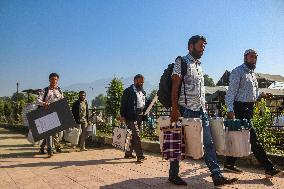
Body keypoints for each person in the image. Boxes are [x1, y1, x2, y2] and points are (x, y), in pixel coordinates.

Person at [170, 35, 238, 186]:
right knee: (177, 143)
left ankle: (217, 176)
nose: (203, 49)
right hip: (185, 110)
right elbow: (175, 86)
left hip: (201, 110)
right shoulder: (181, 61)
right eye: (201, 46)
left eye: (204, 47)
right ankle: (173, 175)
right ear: (191, 46)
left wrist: (205, 108)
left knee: (209, 143)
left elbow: (200, 90)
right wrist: (174, 109)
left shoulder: (199, 66)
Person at [224, 49, 282, 177]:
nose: (254, 59)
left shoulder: (252, 74)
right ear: (245, 57)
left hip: (248, 108)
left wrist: (262, 94)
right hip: (240, 108)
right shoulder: (238, 71)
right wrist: (230, 109)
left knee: (238, 136)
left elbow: (252, 94)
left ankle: (229, 164)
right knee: (253, 138)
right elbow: (231, 92)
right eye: (251, 57)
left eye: (255, 57)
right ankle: (269, 167)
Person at [120, 74, 149, 162]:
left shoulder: (142, 91)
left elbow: (144, 102)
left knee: (132, 135)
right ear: (135, 80)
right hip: (131, 116)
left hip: (140, 115)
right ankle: (140, 155)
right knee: (137, 135)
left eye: (143, 82)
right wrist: (122, 116)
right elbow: (123, 104)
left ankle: (128, 153)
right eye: (140, 82)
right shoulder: (128, 91)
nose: (142, 84)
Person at [37, 73, 64, 158]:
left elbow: (62, 100)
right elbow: (38, 100)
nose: (54, 81)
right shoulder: (45, 90)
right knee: (49, 131)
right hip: (46, 112)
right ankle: (49, 150)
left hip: (56, 113)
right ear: (49, 80)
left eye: (55, 79)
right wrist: (44, 103)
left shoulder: (59, 90)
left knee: (53, 132)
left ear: (57, 80)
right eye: (52, 79)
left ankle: (42, 147)